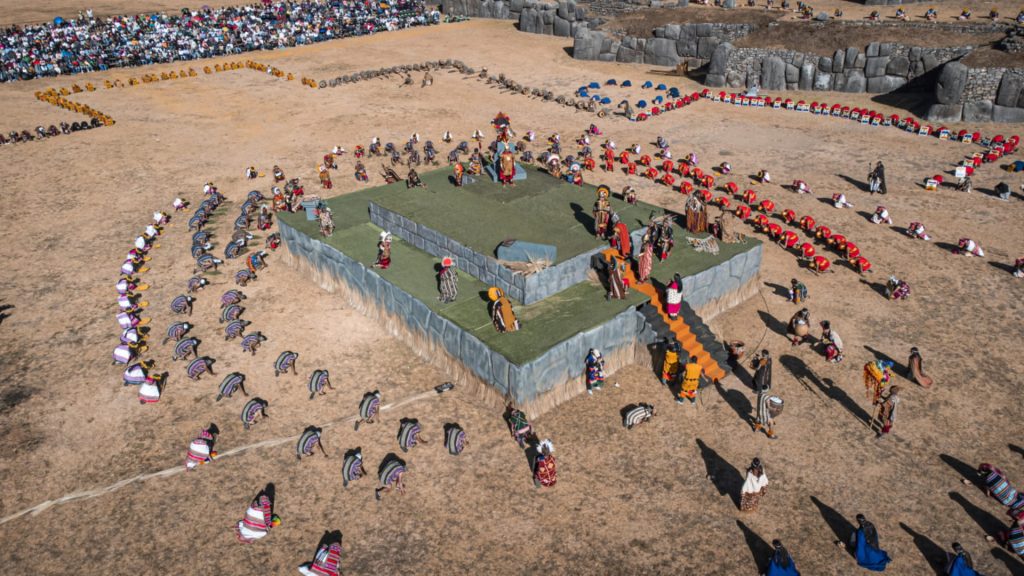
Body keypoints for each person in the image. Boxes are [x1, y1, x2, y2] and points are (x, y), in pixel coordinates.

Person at [751, 351, 778, 439]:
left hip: (759, 413)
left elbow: (756, 367)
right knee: (770, 421)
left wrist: (756, 359)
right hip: (764, 415)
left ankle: (757, 427)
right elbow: (769, 406)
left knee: (758, 418)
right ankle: (770, 434)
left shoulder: (759, 395)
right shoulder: (766, 397)